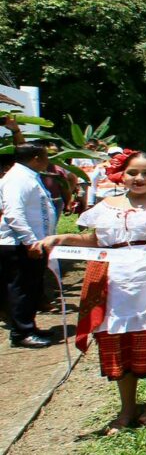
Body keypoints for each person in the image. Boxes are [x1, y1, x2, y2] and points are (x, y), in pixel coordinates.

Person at [33, 150, 146, 433]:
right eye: (133, 172)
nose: (139, 178)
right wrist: (63, 238)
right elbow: (94, 240)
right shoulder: (107, 206)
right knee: (117, 340)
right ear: (122, 174)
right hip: (113, 282)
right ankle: (127, 406)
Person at [0, 144, 57, 348]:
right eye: (45, 157)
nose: (47, 161)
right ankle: (21, 333)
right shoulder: (17, 179)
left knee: (31, 287)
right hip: (20, 245)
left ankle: (28, 326)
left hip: (31, 243)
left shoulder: (27, 176)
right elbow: (14, 213)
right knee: (21, 288)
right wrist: (30, 241)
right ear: (35, 158)